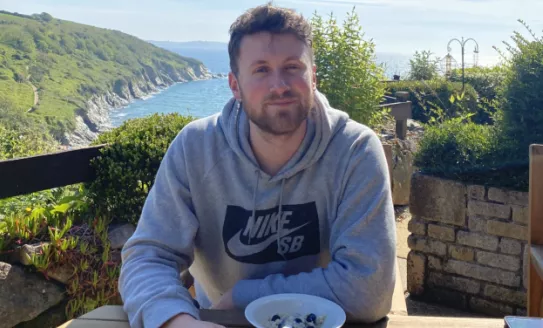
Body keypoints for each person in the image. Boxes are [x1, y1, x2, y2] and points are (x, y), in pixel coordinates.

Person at [119, 3, 397, 328]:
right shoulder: (195, 148)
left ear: (314, 77)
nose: (279, 85)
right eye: (261, 70)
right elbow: (148, 256)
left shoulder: (355, 150)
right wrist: (178, 321)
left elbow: (370, 290)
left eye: (293, 67)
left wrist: (244, 296)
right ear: (235, 86)